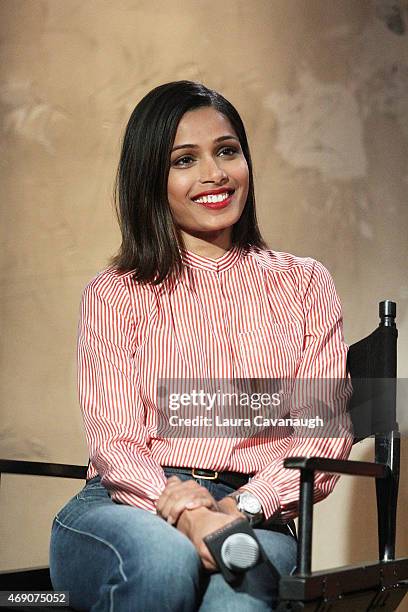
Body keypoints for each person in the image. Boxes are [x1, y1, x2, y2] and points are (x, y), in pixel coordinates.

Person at [49, 81, 353, 611]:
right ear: (151, 179)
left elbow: (321, 437)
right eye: (184, 160)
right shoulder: (116, 291)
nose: (214, 174)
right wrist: (188, 513)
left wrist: (240, 504)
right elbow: (115, 440)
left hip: (256, 513)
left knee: (232, 601)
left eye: (227, 152)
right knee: (165, 557)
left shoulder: (304, 284)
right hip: (126, 505)